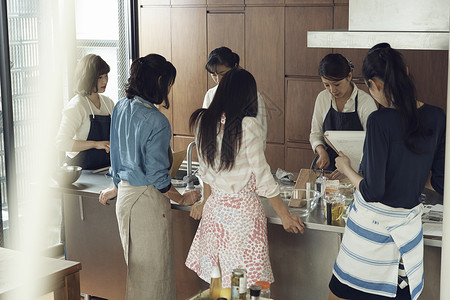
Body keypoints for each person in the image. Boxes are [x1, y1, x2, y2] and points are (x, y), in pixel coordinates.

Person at [328, 43, 445, 300]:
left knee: (337, 295)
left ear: (374, 85)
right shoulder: (438, 117)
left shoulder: (380, 121)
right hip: (406, 235)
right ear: (405, 70)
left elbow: (372, 191)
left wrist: (346, 167)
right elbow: (438, 182)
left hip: (369, 236)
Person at [185, 68, 305, 288]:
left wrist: (205, 200)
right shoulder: (248, 126)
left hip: (214, 214)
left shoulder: (203, 122)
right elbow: (264, 180)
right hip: (243, 219)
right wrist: (285, 216)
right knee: (248, 286)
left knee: (218, 282)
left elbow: (205, 173)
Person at [109, 54, 201, 299]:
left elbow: (116, 158)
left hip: (125, 201)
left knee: (138, 274)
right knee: (154, 279)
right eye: (169, 83)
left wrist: (117, 186)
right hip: (146, 203)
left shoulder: (120, 107)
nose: (169, 89)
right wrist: (181, 198)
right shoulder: (157, 121)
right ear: (160, 80)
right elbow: (159, 178)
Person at [310, 53, 377, 172]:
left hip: (358, 169)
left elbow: (373, 144)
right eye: (326, 85)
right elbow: (315, 134)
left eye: (337, 84)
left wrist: (348, 170)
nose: (332, 90)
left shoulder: (365, 102)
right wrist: (321, 151)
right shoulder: (322, 98)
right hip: (329, 168)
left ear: (349, 76)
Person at [56, 54, 114, 170]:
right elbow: (61, 142)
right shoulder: (77, 106)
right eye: (99, 77)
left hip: (103, 169)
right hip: (80, 171)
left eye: (106, 75)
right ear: (88, 78)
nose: (105, 81)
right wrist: (96, 144)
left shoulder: (109, 103)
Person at [203, 46, 268, 149]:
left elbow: (260, 135)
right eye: (213, 74)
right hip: (217, 157)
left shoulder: (251, 96)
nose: (218, 80)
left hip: (245, 156)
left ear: (235, 67)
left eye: (223, 74)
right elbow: (206, 131)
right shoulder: (210, 95)